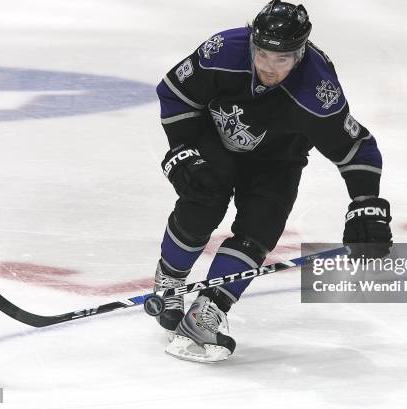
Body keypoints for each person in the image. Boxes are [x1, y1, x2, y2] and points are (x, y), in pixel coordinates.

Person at [154, 0, 392, 362]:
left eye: (281, 60)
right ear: (252, 41)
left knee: (260, 230)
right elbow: (175, 92)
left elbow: (356, 148)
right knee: (204, 198)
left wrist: (366, 205)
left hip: (278, 159)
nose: (269, 66)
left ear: (300, 54)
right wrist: (183, 150)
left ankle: (207, 311)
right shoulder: (223, 50)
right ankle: (170, 278)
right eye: (262, 54)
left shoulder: (318, 90)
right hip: (213, 140)